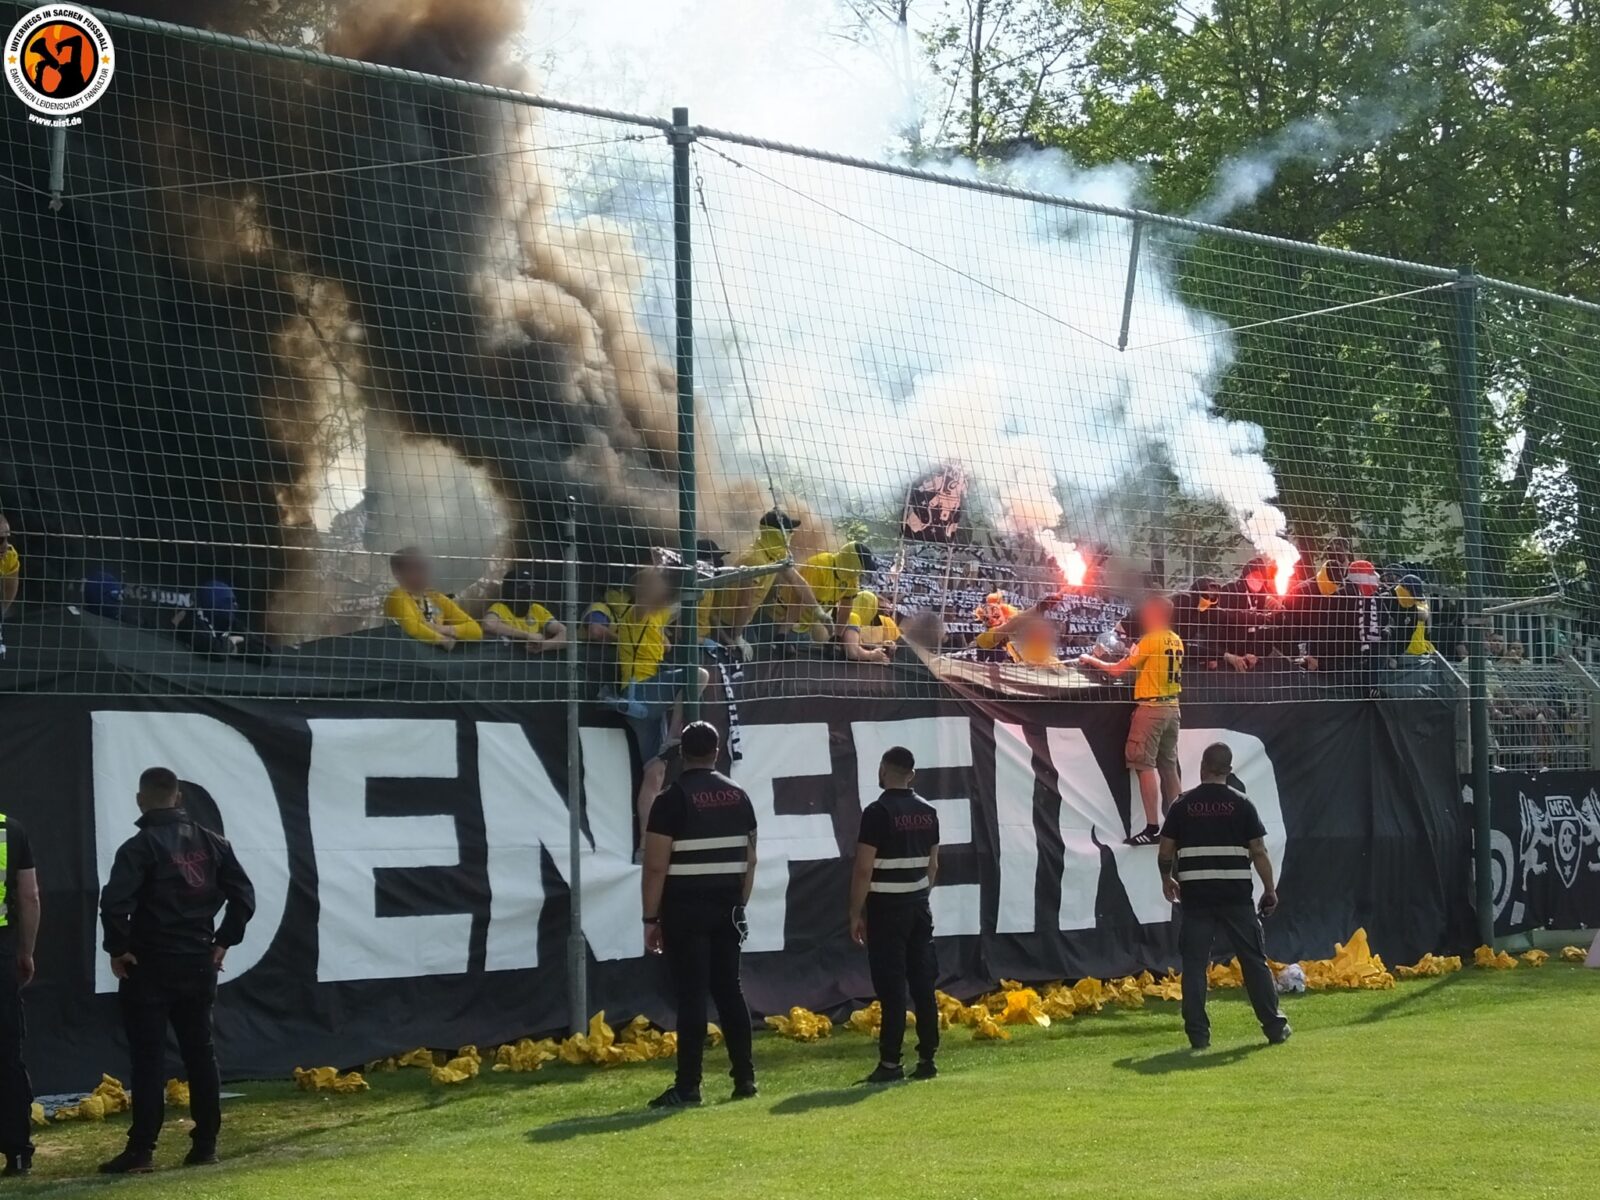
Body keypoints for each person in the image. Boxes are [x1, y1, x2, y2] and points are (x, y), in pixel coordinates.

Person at [98, 767, 256, 1174]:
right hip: (198, 961)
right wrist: (222, 942)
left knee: (148, 1059)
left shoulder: (139, 847)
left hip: (150, 963)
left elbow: (115, 904)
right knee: (201, 1053)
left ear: (140, 800)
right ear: (180, 797)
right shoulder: (215, 843)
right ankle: (205, 1144)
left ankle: (142, 1151)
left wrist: (119, 949)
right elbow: (243, 896)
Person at [640, 722, 757, 1107]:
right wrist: (739, 901)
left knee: (692, 996)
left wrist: (650, 919)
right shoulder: (739, 796)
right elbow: (749, 859)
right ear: (717, 750)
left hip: (685, 909)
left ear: (682, 753)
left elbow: (656, 866)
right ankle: (745, 1079)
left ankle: (688, 1086)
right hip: (726, 905)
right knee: (730, 991)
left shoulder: (670, 800)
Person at [1157, 742, 1290, 1050]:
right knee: (1253, 961)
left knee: (1194, 965)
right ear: (1229, 772)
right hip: (1236, 897)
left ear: (1202, 767)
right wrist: (1270, 890)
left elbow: (1166, 851)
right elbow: (1258, 850)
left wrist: (1167, 879)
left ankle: (1198, 1037)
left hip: (1196, 897)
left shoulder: (1182, 804)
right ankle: (1273, 1027)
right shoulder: (1242, 804)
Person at [849, 746, 941, 1083]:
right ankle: (928, 1058)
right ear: (912, 775)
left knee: (891, 989)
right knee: (923, 985)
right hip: (918, 907)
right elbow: (933, 865)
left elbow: (863, 869)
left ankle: (890, 1063)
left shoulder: (877, 812)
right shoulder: (928, 812)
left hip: (886, 910)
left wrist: (855, 913)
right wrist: (919, 894)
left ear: (884, 770)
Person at [1079, 594, 1183, 845]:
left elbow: (1117, 670)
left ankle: (1152, 828)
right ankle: (1181, 823)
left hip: (1150, 707)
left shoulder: (1150, 640)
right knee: (1168, 766)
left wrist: (1090, 659)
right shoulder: (1176, 640)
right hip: (1172, 707)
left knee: (1143, 764)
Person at [613, 567, 709, 833]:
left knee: (654, 775)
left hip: (643, 705)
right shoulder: (637, 613)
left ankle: (644, 846)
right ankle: (675, 734)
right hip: (640, 693)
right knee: (698, 675)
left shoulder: (654, 615)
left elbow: (677, 603)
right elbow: (667, 598)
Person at [0, 808, 40, 1177]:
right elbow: (28, 896)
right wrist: (25, 952)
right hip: (0, 954)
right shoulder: (9, 829)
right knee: (7, 1057)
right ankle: (16, 1153)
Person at [383, 547, 482, 649]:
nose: (423, 574)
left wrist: (441, 629)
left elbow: (476, 631)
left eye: (424, 568)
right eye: (415, 569)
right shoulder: (397, 595)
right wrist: (442, 640)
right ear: (398, 574)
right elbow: (412, 628)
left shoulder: (435, 597)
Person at [482, 567, 567, 654]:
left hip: (532, 661)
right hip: (507, 658)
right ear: (511, 590)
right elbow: (489, 624)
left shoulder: (536, 609)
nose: (528, 591)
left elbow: (567, 635)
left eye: (531, 587)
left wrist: (544, 645)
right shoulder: (500, 607)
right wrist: (527, 635)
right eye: (523, 588)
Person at [840, 589, 899, 665]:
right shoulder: (852, 617)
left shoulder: (845, 612)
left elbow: (851, 640)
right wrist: (872, 655)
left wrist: (879, 645)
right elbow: (852, 652)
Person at [0, 516, 17, 660]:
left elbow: (8, 591)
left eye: (6, 538)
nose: (5, 545)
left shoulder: (9, 556)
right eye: (0, 540)